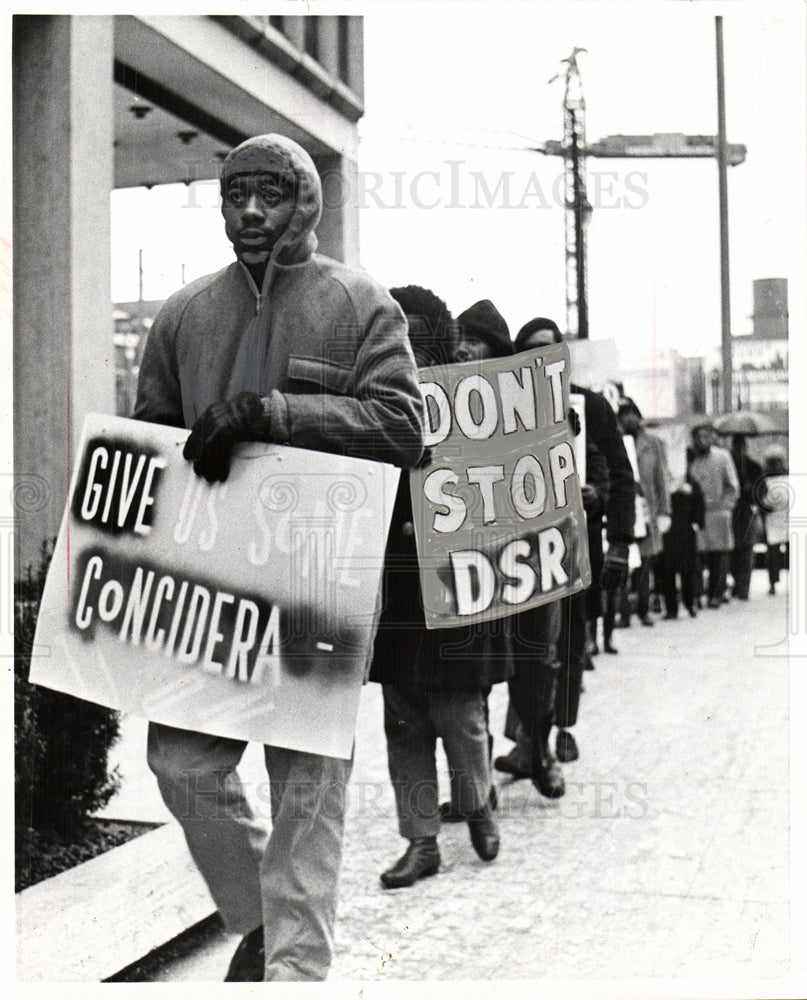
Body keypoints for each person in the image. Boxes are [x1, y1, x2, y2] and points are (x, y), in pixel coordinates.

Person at [134, 134, 425, 982]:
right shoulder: (183, 315)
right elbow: (147, 444)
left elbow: (404, 428)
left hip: (317, 588)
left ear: (307, 198)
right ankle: (261, 918)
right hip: (208, 591)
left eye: (272, 193)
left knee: (307, 793)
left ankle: (294, 973)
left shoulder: (360, 304)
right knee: (179, 763)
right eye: (236, 196)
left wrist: (273, 413)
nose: (252, 212)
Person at [372, 293, 509, 888]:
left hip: (458, 587)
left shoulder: (476, 408)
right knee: (403, 720)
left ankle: (475, 803)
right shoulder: (376, 404)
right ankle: (421, 841)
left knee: (459, 715)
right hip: (401, 590)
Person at [496, 318, 635, 774]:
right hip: (518, 549)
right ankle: (528, 740)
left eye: (549, 348)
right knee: (529, 647)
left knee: (568, 641)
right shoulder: (499, 405)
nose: (540, 357)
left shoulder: (589, 405)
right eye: (530, 349)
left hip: (576, 542)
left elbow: (617, 471)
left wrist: (618, 539)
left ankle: (557, 732)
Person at [616, 398, 671, 626]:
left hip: (648, 511)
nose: (629, 419)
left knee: (645, 563)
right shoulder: (615, 442)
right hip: (624, 510)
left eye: (632, 413)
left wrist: (665, 512)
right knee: (621, 564)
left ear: (639, 416)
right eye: (624, 414)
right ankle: (624, 613)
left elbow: (662, 480)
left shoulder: (654, 443)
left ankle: (643, 610)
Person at [688, 422, 740, 608]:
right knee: (698, 557)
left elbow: (733, 487)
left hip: (718, 513)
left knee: (718, 557)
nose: (701, 440)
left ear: (712, 438)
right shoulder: (691, 459)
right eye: (698, 437)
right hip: (697, 516)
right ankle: (697, 595)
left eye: (705, 436)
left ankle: (716, 594)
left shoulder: (723, 457)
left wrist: (726, 508)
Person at [660, 447, 706, 619]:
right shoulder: (666, 482)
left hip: (686, 530)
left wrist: (696, 523)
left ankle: (690, 603)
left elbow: (700, 505)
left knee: (688, 570)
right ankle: (671, 608)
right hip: (669, 530)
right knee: (668, 570)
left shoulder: (692, 483)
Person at [729, 434, 764, 600]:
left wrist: (751, 491)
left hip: (747, 510)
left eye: (741, 447)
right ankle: (737, 583)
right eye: (736, 447)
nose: (738, 450)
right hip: (732, 510)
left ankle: (744, 586)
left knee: (746, 548)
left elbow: (761, 490)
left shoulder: (754, 467)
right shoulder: (729, 465)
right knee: (734, 549)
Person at [759, 447, 788, 595]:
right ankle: (772, 582)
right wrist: (767, 505)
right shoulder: (764, 481)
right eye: (773, 462)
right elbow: (761, 502)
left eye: (778, 462)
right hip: (772, 521)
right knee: (773, 556)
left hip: (789, 520)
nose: (776, 465)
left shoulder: (790, 478)